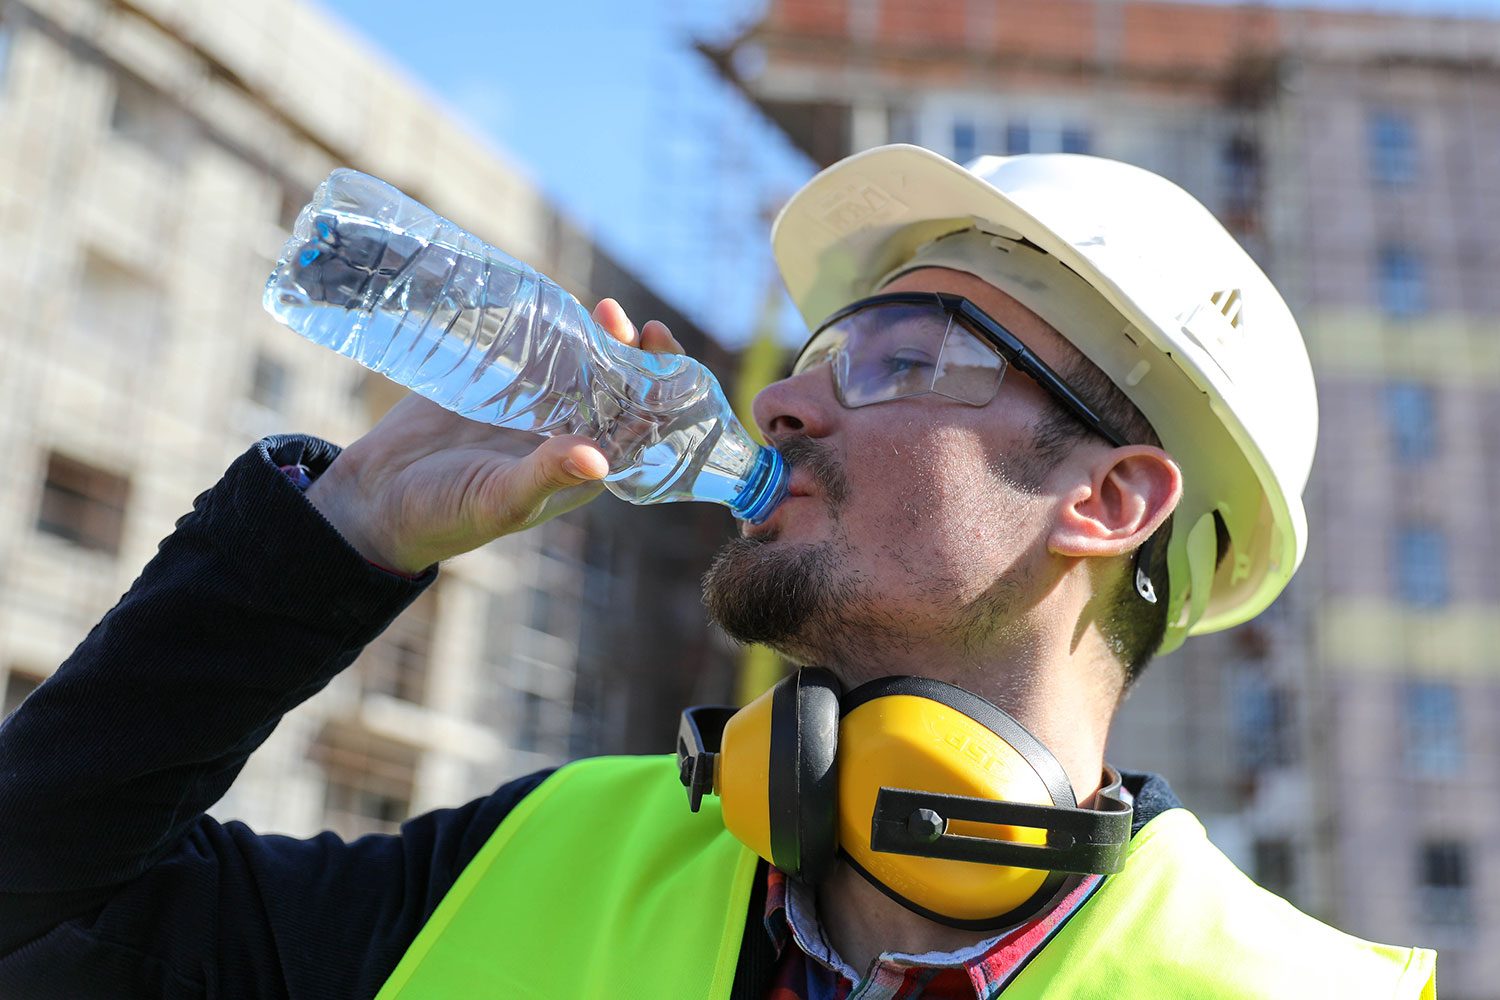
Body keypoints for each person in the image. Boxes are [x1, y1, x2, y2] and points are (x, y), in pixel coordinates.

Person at [0, 145, 1435, 999]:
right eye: (815, 357)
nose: (787, 404)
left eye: (900, 359)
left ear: (1111, 497)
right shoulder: (536, 858)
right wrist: (339, 534)